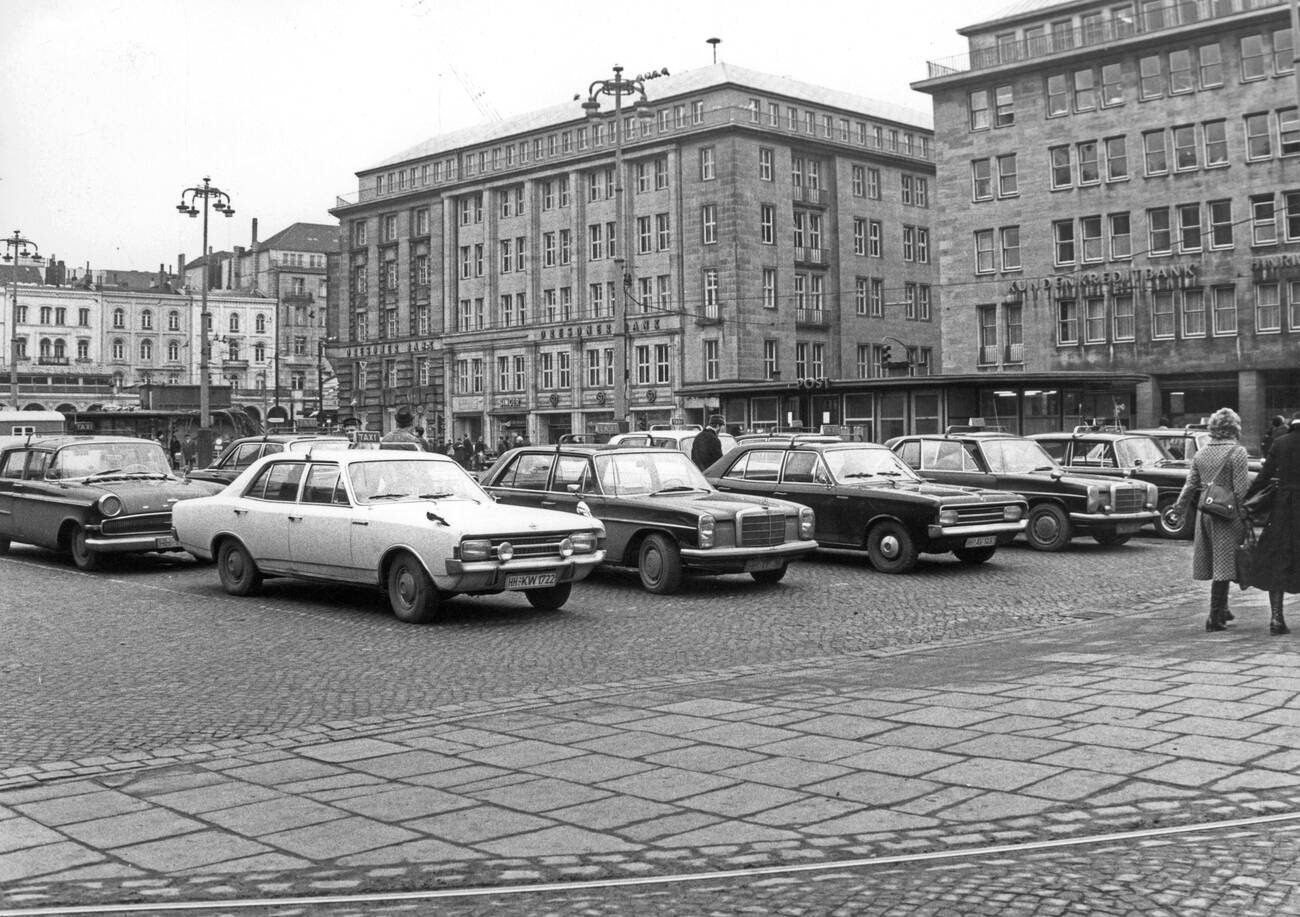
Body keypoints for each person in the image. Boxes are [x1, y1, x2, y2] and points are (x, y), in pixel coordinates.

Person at [1170, 407, 1251, 632]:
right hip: (1228, 513)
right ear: (1235, 427)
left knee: (1216, 560)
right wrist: (1245, 515)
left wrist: (1178, 509)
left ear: (1213, 428)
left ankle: (1223, 609)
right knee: (1224, 564)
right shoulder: (1238, 452)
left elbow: (1190, 485)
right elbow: (1241, 489)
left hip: (1205, 512)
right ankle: (1214, 617)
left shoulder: (1201, 453)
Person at [1243, 412, 1300, 635]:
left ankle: (1276, 617)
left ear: (1290, 425)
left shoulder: (1280, 443)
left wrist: (1248, 497)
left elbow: (1264, 477)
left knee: (1278, 558)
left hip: (1284, 509)